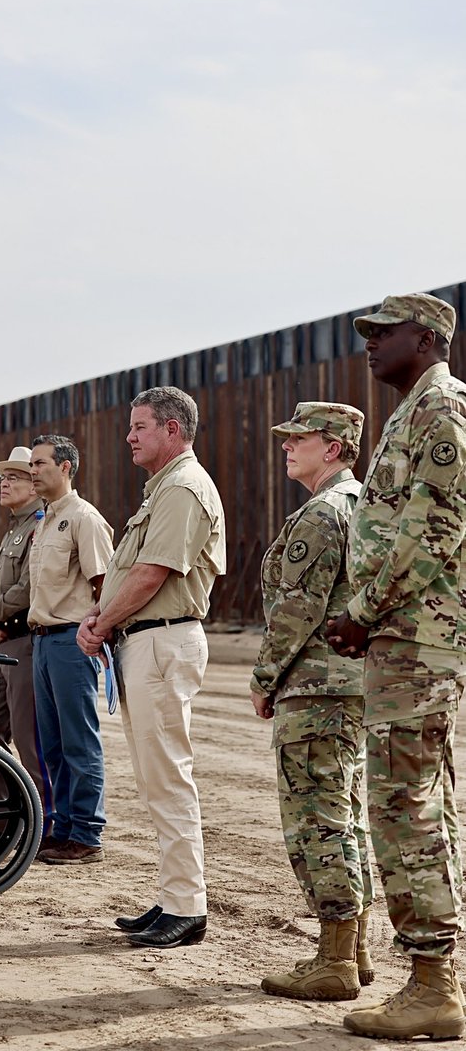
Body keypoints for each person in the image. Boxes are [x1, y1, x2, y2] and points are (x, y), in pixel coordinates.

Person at [327, 293, 466, 1041]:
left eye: (386, 332)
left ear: (429, 337)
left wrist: (366, 609)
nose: (371, 343)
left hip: (416, 637)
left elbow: (433, 528)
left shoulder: (441, 409)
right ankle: (434, 978)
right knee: (416, 801)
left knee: (403, 806)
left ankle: (434, 985)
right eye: (368, 334)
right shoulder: (413, 412)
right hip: (404, 635)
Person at [77, 386, 226, 948]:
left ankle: (186, 907)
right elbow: (131, 575)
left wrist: (101, 623)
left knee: (167, 778)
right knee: (155, 779)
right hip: (146, 641)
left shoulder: (183, 488)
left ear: (172, 429)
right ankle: (173, 898)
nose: (129, 437)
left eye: (140, 426)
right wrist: (102, 618)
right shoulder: (163, 488)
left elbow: (151, 574)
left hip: (163, 641)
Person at [250, 402, 375, 1001]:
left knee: (316, 823)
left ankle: (335, 961)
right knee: (345, 817)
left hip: (317, 689)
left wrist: (265, 677)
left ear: (333, 447)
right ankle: (356, 949)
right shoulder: (363, 506)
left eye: (298, 438)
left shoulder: (323, 513)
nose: (286, 445)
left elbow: (298, 609)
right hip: (350, 687)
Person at [28, 434, 114, 865]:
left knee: (79, 741)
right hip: (43, 641)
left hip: (70, 641)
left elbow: (105, 585)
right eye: (31, 464)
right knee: (53, 744)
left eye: (40, 463)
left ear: (65, 467)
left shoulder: (84, 518)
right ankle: (62, 829)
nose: (32, 471)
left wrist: (98, 636)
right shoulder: (45, 521)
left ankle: (86, 834)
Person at [0, 445, 53, 831]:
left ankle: (42, 824)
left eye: (14, 477)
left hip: (25, 643)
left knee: (28, 737)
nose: (4, 483)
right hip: (6, 642)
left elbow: (26, 589)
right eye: (2, 477)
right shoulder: (15, 528)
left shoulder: (39, 525)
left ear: (34, 485)